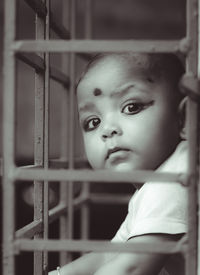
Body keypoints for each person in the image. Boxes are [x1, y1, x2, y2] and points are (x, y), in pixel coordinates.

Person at [49, 52, 187, 275]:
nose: (107, 129)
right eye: (93, 122)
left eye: (131, 107)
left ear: (184, 118)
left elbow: (131, 268)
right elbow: (110, 254)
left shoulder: (174, 178)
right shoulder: (153, 186)